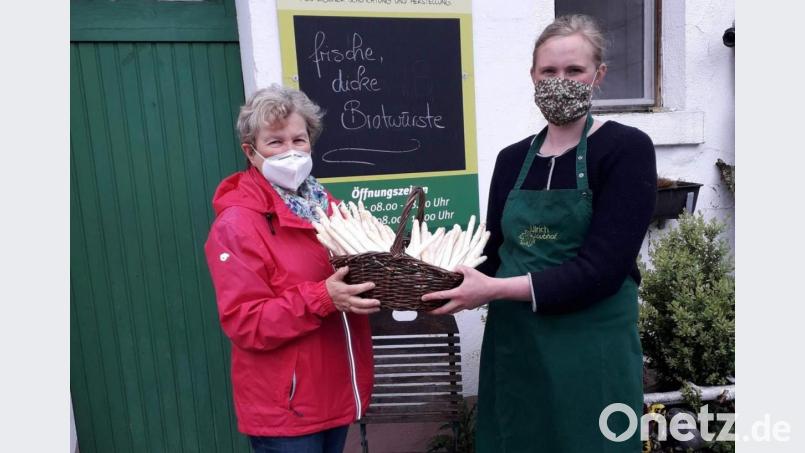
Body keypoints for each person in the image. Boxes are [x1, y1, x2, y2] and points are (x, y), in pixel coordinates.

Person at [422, 14, 657, 452]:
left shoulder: (625, 149)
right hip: (518, 345)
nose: (560, 81)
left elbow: (603, 270)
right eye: (549, 71)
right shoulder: (513, 159)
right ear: (532, 76)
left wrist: (491, 289)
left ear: (598, 75)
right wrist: (432, 279)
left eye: (574, 71)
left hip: (592, 346)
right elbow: (491, 253)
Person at [204, 85, 381, 453]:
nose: (290, 151)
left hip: (335, 392)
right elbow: (245, 321)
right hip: (287, 409)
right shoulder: (237, 224)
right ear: (250, 153)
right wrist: (322, 297)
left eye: (298, 139)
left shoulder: (327, 208)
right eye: (275, 142)